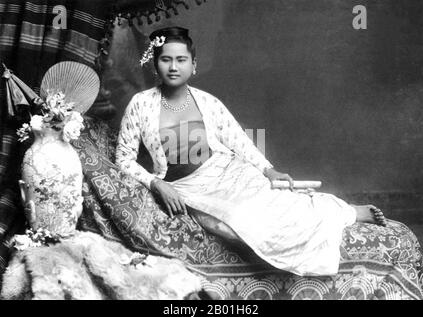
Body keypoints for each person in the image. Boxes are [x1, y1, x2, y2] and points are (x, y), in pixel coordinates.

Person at [116, 26, 387, 277]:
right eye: (166, 60)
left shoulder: (208, 102)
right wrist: (157, 183)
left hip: (227, 171)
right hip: (189, 187)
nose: (173, 67)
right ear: (155, 64)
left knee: (280, 206)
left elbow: (239, 141)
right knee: (236, 223)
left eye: (181, 60)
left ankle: (343, 211)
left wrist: (268, 169)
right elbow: (123, 158)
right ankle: (337, 212)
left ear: (193, 65)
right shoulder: (140, 104)